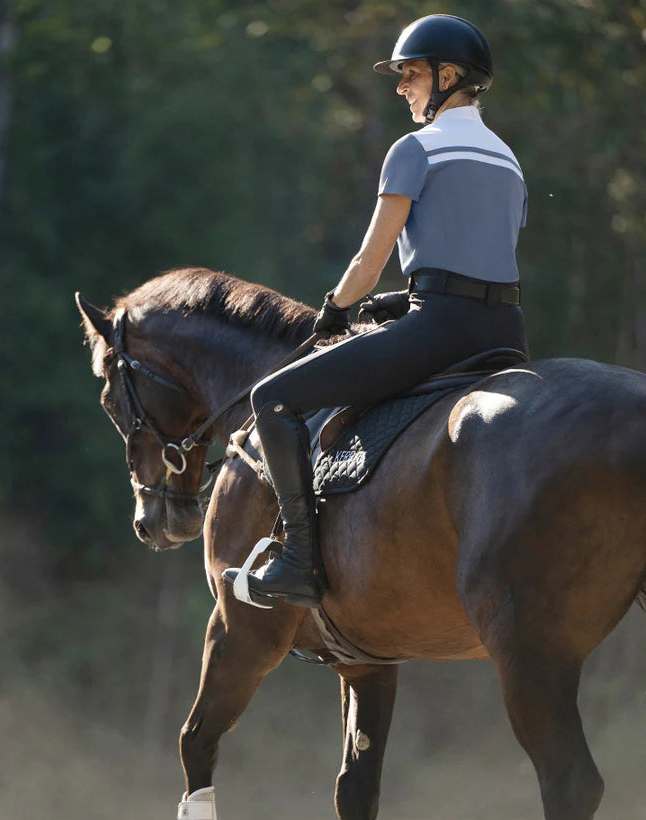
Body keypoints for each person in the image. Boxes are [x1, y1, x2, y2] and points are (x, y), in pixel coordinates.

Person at [224, 13, 529, 610]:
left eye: (410, 75)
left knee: (272, 400)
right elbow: (477, 260)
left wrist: (336, 310)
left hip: (440, 333)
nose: (401, 88)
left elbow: (368, 262)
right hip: (507, 333)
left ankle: (297, 560)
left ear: (448, 75)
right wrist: (405, 298)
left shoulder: (415, 148)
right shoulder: (509, 159)